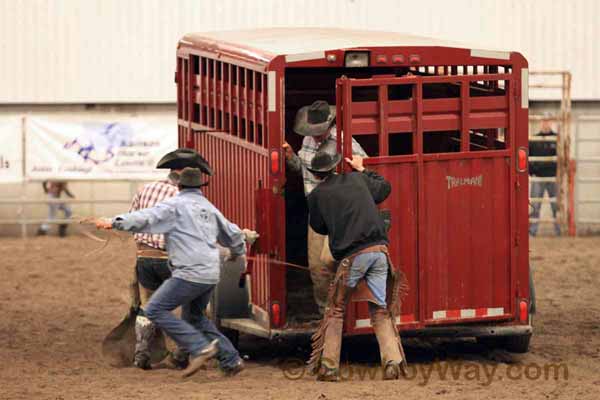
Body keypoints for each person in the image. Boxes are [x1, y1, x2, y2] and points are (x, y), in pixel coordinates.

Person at [95, 167, 246, 378]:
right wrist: (236, 253)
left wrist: (114, 222)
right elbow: (235, 235)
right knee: (195, 318)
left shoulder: (174, 206)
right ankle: (231, 359)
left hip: (189, 272)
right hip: (211, 273)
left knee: (155, 309)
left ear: (179, 185)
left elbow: (145, 217)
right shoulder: (209, 208)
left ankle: (199, 347)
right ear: (200, 187)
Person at [306, 151, 408, 381]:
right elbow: (384, 188)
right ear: (336, 166)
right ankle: (392, 362)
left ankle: (330, 367)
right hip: (379, 253)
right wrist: (362, 168)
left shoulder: (316, 196)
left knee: (336, 309)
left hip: (352, 257)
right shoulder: (357, 178)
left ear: (314, 175)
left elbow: (319, 227)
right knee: (380, 311)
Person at [128, 148, 213, 370]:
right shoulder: (185, 199)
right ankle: (181, 354)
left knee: (149, 306)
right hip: (174, 261)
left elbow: (134, 220)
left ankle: (141, 353)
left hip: (145, 257)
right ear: (184, 174)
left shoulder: (145, 189)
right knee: (194, 304)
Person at [283, 100, 367, 315]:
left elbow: (363, 167)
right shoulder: (308, 140)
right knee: (317, 267)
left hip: (338, 212)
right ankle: (326, 312)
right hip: (317, 210)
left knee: (332, 261)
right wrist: (291, 157)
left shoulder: (345, 142)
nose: (316, 134)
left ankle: (344, 311)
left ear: (329, 126)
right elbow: (302, 170)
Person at [529, 113, 560, 236]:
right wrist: (532, 171)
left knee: (556, 205)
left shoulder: (557, 139)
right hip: (538, 177)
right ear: (541, 122)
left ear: (551, 122)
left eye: (548, 121)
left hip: (553, 177)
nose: (545, 123)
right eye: (544, 121)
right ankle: (532, 231)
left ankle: (558, 231)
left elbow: (561, 158)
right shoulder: (534, 139)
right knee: (535, 206)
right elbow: (528, 156)